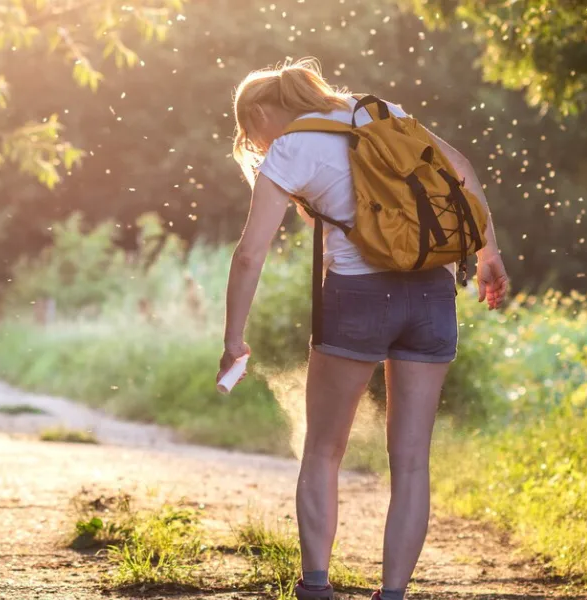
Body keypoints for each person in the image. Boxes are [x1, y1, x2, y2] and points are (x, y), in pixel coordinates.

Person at [217, 58, 509, 600]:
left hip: (357, 298)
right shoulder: (381, 112)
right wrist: (489, 252)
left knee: (324, 450)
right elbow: (462, 167)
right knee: (412, 460)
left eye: (247, 131)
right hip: (431, 296)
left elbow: (249, 255)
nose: (252, 143)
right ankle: (393, 593)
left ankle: (317, 588)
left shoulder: (292, 147)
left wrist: (234, 339)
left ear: (261, 112)